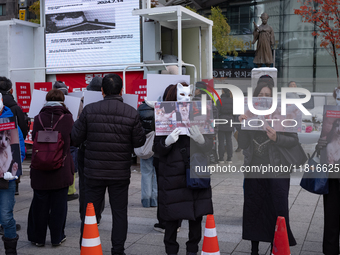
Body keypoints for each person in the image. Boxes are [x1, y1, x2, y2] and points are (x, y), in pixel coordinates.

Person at [71, 73, 145, 255]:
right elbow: (139, 142)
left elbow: (75, 138)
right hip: (119, 173)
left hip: (93, 173)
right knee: (120, 213)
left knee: (90, 213)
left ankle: (87, 247)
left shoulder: (89, 110)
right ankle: (118, 250)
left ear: (102, 91)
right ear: (122, 91)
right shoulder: (131, 112)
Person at [238, 76, 297, 255]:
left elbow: (293, 140)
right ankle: (254, 249)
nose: (264, 98)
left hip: (277, 169)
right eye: (260, 95)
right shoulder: (249, 114)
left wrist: (277, 137)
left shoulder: (283, 114)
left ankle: (277, 246)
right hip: (254, 168)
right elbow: (242, 144)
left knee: (277, 208)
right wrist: (241, 125)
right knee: (253, 207)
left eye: (267, 95)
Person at [154, 82, 213, 255]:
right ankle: (171, 250)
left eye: (189, 95)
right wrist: (166, 142)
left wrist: (202, 140)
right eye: (182, 96)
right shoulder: (161, 117)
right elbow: (156, 149)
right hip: (172, 175)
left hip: (195, 172)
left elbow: (210, 146)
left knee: (196, 216)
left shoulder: (201, 114)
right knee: (172, 217)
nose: (186, 99)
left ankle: (192, 250)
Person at [27, 89, 74, 247]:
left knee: (40, 204)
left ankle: (38, 238)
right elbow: (71, 141)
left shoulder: (38, 117)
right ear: (62, 101)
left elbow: (34, 139)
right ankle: (57, 237)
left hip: (40, 167)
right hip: (60, 168)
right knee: (59, 204)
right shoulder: (67, 118)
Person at [78, 76, 106, 222]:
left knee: (85, 185)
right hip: (106, 150)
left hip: (86, 150)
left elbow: (77, 131)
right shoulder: (110, 104)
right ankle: (97, 215)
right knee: (102, 185)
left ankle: (85, 215)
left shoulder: (82, 104)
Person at [0, 93, 25, 254]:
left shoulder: (10, 121)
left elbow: (19, 148)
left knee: (6, 216)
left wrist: (14, 167)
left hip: (6, 178)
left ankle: (11, 251)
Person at [0, 77, 29, 196]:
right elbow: (22, 127)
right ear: (11, 90)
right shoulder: (16, 107)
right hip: (11, 150)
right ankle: (15, 185)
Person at [52, 81, 79, 202]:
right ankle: (70, 190)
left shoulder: (44, 109)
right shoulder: (76, 103)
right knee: (70, 164)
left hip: (51, 141)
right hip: (69, 140)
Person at [137, 99, 157, 208]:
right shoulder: (162, 107)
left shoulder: (141, 108)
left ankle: (146, 199)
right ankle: (155, 199)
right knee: (157, 173)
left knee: (146, 172)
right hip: (158, 144)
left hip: (146, 144)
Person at [216, 88, 233, 163]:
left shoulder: (219, 100)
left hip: (221, 120)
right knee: (229, 140)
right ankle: (229, 158)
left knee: (221, 141)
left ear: (222, 91)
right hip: (230, 120)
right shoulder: (232, 100)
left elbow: (216, 112)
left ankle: (221, 158)